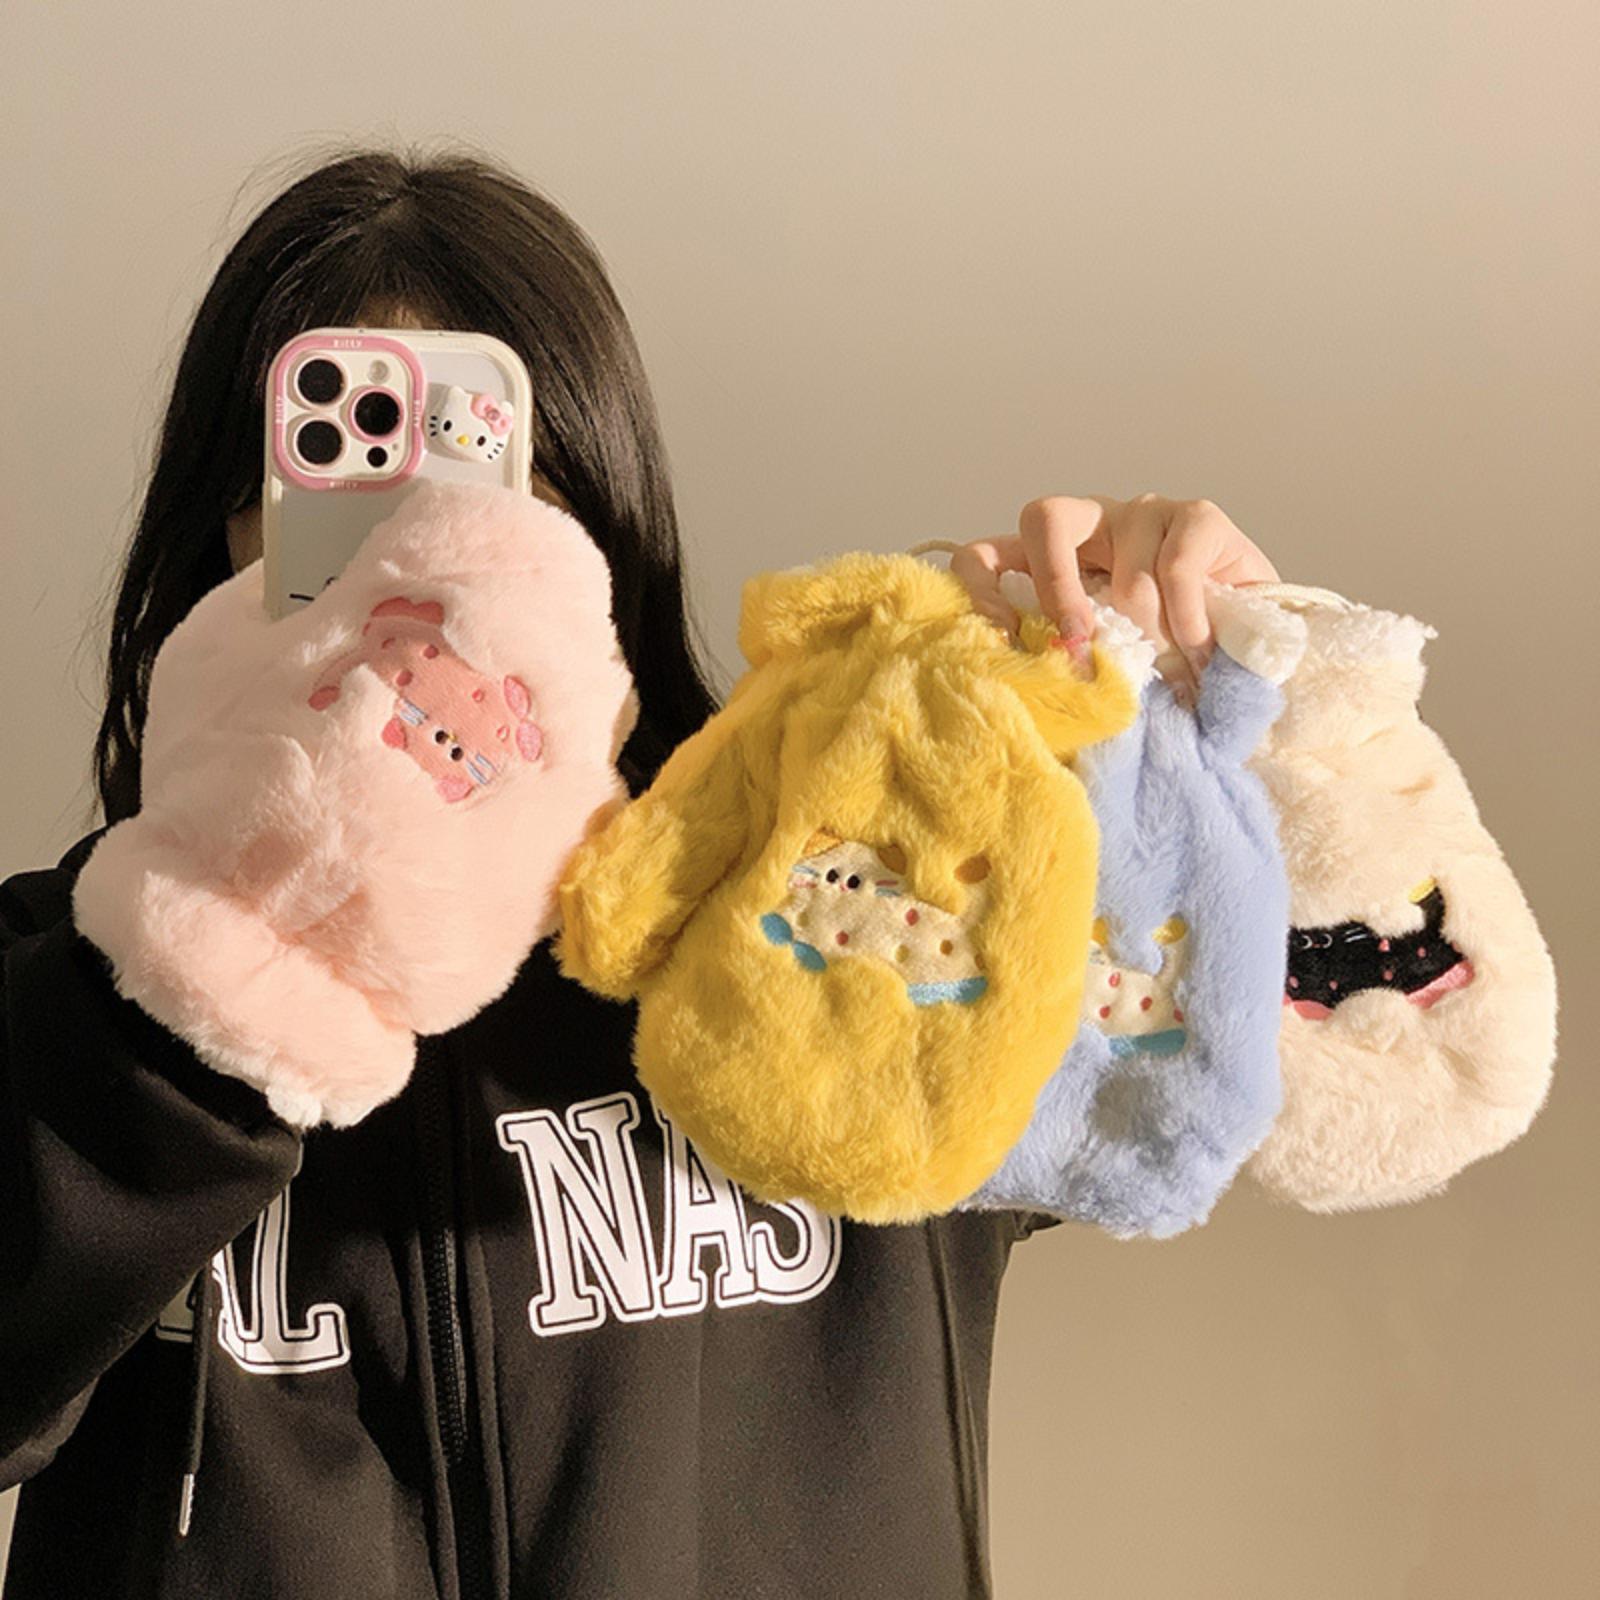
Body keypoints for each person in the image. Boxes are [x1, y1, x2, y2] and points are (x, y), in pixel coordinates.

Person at [0, 148, 1277, 1600]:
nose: (414, 556)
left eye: (486, 481)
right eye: (329, 482)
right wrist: (200, 988)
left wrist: (1167, 737)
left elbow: (1183, 1078)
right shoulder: (72, 987)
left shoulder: (817, 898)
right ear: (224, 544)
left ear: (602, 525)